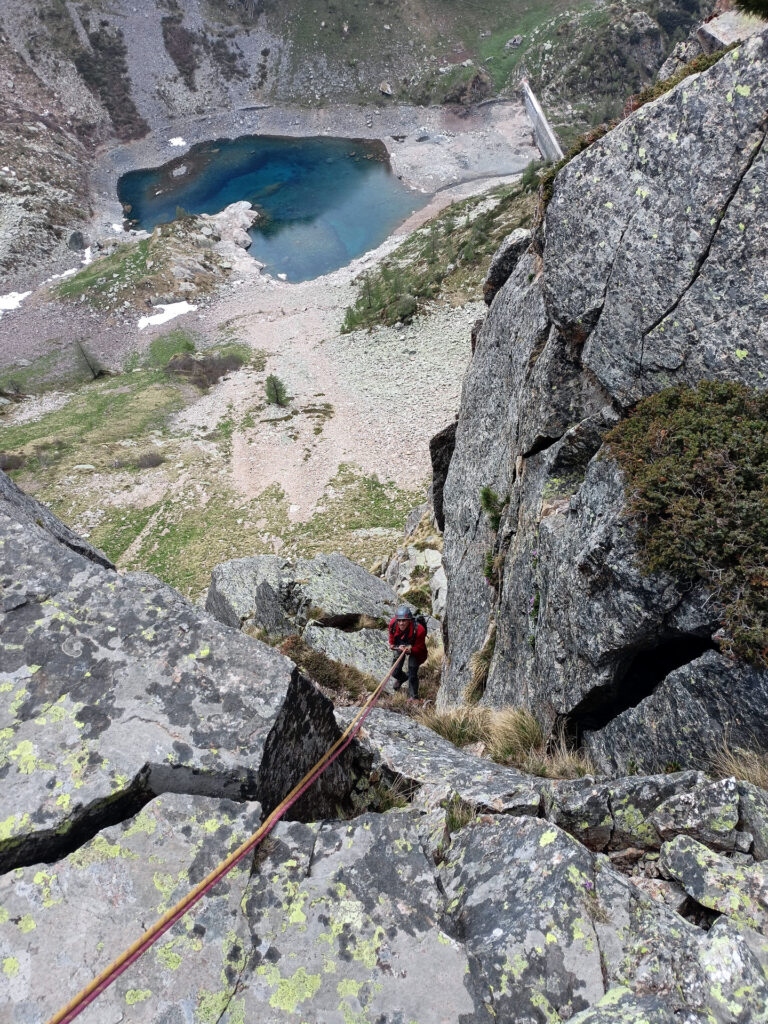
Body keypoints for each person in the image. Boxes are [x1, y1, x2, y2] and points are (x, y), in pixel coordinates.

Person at [388, 605, 427, 700]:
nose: (401, 623)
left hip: (414, 649)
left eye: (404, 620)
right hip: (400, 646)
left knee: (412, 671)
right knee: (394, 671)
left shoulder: (419, 630)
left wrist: (411, 650)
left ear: (409, 620)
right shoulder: (393, 624)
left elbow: (420, 648)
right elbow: (392, 644)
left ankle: (413, 697)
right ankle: (402, 678)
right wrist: (397, 647)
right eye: (399, 620)